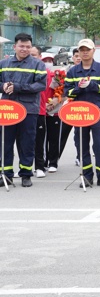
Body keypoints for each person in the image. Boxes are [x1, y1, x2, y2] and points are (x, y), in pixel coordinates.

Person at [65, 39, 100, 187]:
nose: (85, 52)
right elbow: (68, 92)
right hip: (79, 113)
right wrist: (78, 88)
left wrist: (92, 85)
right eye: (82, 50)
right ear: (78, 52)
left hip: (97, 112)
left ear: (93, 50)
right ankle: (87, 176)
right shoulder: (73, 71)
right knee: (81, 144)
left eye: (87, 49)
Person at [0, 34, 48, 187]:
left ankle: (26, 174)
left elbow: (41, 85)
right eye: (22, 46)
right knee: (5, 143)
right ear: (15, 47)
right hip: (8, 109)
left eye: (28, 47)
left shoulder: (37, 64)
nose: (25, 49)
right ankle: (6, 174)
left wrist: (18, 87)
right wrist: (3, 86)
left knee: (27, 143)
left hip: (29, 109)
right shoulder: (4, 63)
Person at [31, 49, 56, 179]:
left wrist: (49, 103)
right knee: (24, 141)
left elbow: (49, 93)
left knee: (39, 141)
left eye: (34, 55)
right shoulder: (23, 71)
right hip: (24, 110)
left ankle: (40, 167)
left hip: (39, 110)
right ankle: (25, 167)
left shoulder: (47, 74)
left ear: (39, 57)